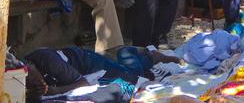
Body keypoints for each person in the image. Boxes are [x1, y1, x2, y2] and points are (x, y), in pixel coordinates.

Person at [24, 46, 179, 101]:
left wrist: (54, 91)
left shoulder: (47, 59)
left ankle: (145, 54)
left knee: (134, 76)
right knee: (134, 73)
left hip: (88, 63)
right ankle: (145, 63)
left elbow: (83, 83)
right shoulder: (22, 79)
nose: (31, 81)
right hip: (82, 72)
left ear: (30, 66)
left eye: (30, 76)